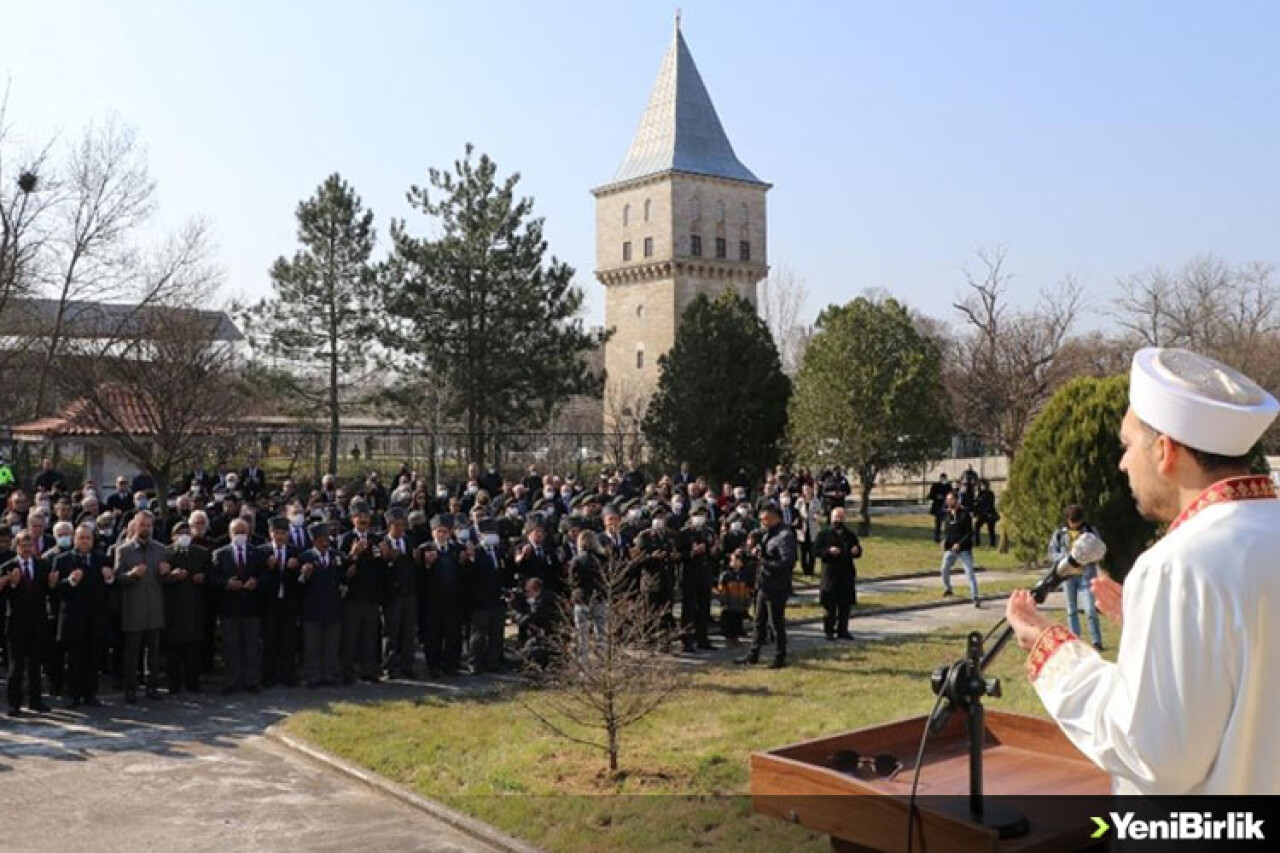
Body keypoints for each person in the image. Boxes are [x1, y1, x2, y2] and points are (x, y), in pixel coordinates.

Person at [1007, 347, 1280, 795]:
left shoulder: (1177, 565)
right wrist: (1152, 630)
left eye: (1127, 445)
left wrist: (1051, 649)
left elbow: (1153, 753)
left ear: (1165, 450)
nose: (1122, 463)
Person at [55, 523, 112, 707]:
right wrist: (70, 581)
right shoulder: (62, 559)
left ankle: (91, 694)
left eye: (88, 538)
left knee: (93, 658)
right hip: (74, 619)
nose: (85, 541)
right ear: (74, 539)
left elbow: (109, 590)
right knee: (74, 660)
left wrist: (109, 579)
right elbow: (56, 590)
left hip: (95, 618)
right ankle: (74, 695)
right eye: (81, 538)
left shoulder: (101, 559)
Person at [115, 511, 168, 702]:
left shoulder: (161, 549)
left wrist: (166, 573)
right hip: (133, 608)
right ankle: (130, 689)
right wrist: (132, 574)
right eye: (142, 525)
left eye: (149, 525)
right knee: (132, 652)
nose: (146, 528)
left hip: (154, 607)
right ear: (135, 526)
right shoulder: (123, 550)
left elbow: (165, 580)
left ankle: (152, 687)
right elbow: (117, 579)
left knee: (153, 651)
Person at [2, 531, 54, 715]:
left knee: (35, 664)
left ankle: (36, 701)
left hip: (38, 622)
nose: (26, 549)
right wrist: (12, 583)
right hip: (16, 623)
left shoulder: (42, 565)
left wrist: (53, 584)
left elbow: (48, 591)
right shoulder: (8, 566)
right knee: (16, 666)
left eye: (29, 545)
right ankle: (14, 703)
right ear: (16, 547)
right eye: (22, 546)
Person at [738, 503, 796, 669]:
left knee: (776, 622)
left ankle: (780, 657)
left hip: (777, 585)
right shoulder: (767, 534)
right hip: (763, 583)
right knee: (759, 621)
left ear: (773, 516)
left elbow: (787, 562)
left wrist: (765, 562)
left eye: (765, 519)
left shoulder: (785, 536)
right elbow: (763, 552)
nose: (762, 522)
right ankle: (753, 655)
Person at [211, 518, 264, 694]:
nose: (240, 535)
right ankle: (232, 680)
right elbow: (212, 578)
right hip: (229, 608)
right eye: (237, 532)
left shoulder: (256, 553)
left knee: (251, 646)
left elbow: (265, 575)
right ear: (230, 534)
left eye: (243, 532)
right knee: (231, 646)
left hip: (251, 607)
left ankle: (251, 680)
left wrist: (256, 582)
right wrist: (226, 583)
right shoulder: (220, 554)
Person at [1047, 506, 1103, 651]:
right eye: (1072, 522)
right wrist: (1067, 559)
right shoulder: (1060, 533)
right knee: (1071, 610)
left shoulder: (1090, 532)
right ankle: (1076, 640)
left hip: (1086, 576)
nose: (1075, 525)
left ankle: (1096, 641)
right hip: (1068, 576)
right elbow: (1052, 552)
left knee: (1090, 609)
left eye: (1077, 522)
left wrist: (1087, 558)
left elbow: (1099, 550)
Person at [162, 520, 209, 694]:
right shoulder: (165, 553)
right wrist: (170, 576)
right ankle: (173, 683)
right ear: (173, 536)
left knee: (193, 648)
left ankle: (193, 682)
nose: (184, 536)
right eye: (180, 533)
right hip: (172, 607)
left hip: (194, 606)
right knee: (173, 649)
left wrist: (203, 578)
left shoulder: (202, 553)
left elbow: (210, 575)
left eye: (187, 533)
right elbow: (159, 578)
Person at [298, 523, 343, 688]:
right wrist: (304, 575)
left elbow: (342, 577)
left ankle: (329, 674)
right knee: (312, 646)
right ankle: (313, 676)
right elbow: (298, 585)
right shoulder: (304, 558)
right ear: (314, 541)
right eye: (321, 540)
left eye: (327, 540)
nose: (325, 543)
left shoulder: (336, 556)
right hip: (312, 609)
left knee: (331, 644)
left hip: (333, 607)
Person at [260, 515, 303, 687]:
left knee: (288, 641)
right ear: (270, 533)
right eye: (276, 532)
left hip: (288, 603)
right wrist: (268, 568)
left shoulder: (295, 552)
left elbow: (300, 581)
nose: (279, 536)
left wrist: (296, 569)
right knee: (269, 641)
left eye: (283, 533)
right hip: (269, 604)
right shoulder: (262, 552)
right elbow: (258, 580)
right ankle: (269, 676)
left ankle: (288, 675)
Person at [379, 507, 419, 679]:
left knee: (409, 632)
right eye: (398, 525)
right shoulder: (382, 543)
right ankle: (389, 667)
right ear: (390, 525)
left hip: (409, 593)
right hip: (391, 595)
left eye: (404, 525)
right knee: (391, 633)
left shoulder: (408, 542)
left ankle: (407, 665)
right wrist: (388, 560)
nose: (401, 528)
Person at [813, 507, 862, 640]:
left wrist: (856, 550)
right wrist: (828, 551)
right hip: (830, 574)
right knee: (830, 605)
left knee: (845, 605)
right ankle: (829, 631)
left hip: (846, 574)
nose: (838, 520)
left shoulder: (850, 535)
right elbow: (816, 550)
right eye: (836, 517)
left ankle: (843, 630)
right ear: (831, 518)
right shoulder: (824, 534)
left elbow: (858, 549)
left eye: (841, 517)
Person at [939, 491, 980, 606]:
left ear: (956, 500)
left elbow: (969, 533)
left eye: (951, 499)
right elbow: (946, 531)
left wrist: (960, 544)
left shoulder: (965, 514)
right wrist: (944, 541)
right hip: (951, 549)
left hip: (964, 549)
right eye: (947, 500)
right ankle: (948, 588)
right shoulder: (947, 515)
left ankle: (975, 596)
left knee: (969, 572)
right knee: (944, 569)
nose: (948, 502)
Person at [972, 479, 999, 547]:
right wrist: (975, 513)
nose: (981, 486)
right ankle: (977, 543)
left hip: (989, 514)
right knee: (976, 527)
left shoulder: (990, 493)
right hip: (981, 515)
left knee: (991, 529)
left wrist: (987, 512)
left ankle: (992, 544)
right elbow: (976, 504)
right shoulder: (979, 493)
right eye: (980, 485)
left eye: (982, 485)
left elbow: (990, 504)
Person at [927, 474, 950, 543]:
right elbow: (930, 495)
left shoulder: (948, 486)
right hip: (938, 507)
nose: (944, 480)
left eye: (945, 478)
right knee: (938, 524)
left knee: (947, 523)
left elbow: (951, 494)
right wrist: (937, 496)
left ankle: (946, 538)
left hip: (946, 506)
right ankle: (937, 538)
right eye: (942, 478)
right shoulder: (935, 486)